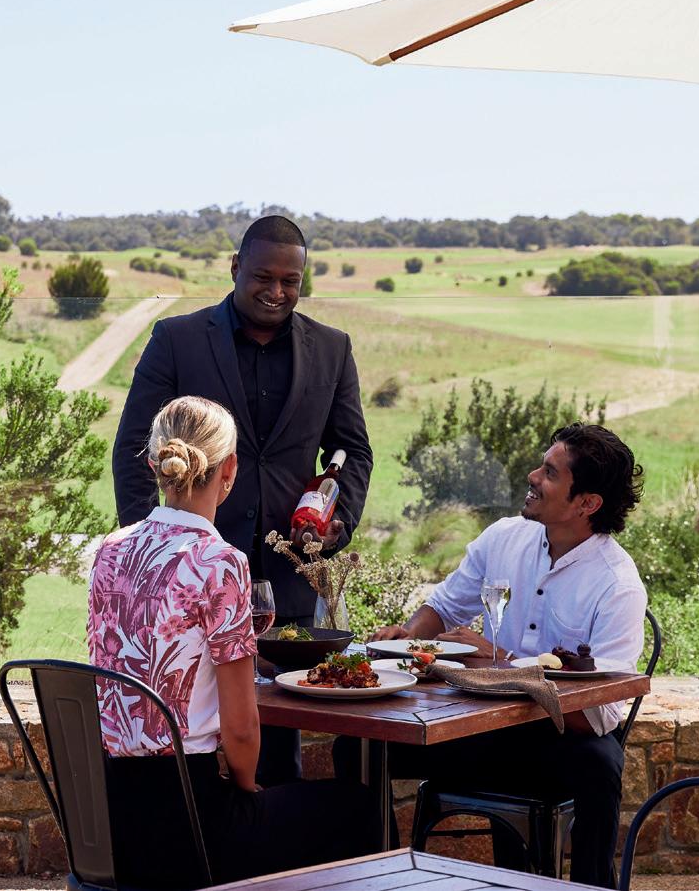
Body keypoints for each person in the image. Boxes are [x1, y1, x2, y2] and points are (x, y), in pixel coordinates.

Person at [113, 214, 373, 782]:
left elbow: (353, 451)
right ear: (235, 268)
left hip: (286, 592)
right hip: (186, 586)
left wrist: (338, 524)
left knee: (278, 755)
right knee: (180, 733)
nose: (277, 291)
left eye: (291, 281)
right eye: (263, 277)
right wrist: (147, 554)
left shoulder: (332, 349)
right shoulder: (176, 339)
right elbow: (134, 448)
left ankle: (261, 826)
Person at [334, 423, 648, 888]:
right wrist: (410, 637)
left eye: (550, 473)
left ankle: (592, 887)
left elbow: (598, 714)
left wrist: (502, 666)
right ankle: (379, 878)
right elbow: (443, 608)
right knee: (358, 748)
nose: (533, 476)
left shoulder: (617, 584)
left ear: (587, 503)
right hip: (480, 731)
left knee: (601, 764)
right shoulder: (504, 538)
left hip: (555, 743)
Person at [89, 396, 370, 889]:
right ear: (230, 470)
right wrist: (246, 786)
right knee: (360, 809)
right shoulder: (219, 563)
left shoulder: (110, 551)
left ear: (154, 464)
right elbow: (241, 730)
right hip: (192, 832)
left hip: (113, 825)